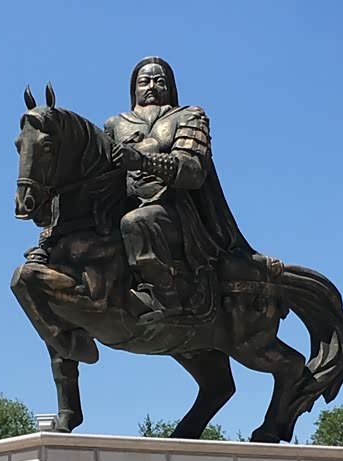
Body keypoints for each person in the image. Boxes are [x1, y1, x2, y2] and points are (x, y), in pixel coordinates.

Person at [104, 56, 279, 321]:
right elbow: (103, 176)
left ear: (170, 87)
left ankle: (163, 297)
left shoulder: (189, 116)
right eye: (144, 81)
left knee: (137, 222)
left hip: (177, 212)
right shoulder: (115, 125)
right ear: (134, 89)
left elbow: (192, 170)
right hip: (127, 204)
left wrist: (143, 161)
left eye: (159, 81)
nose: (151, 86)